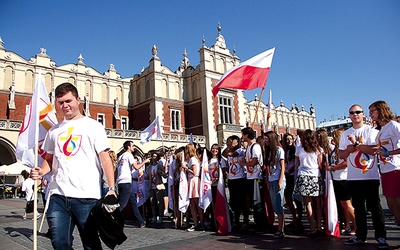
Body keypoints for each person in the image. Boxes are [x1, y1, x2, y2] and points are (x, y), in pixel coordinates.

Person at [30, 82, 117, 249]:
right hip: (58, 195)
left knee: (91, 243)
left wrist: (111, 188)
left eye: (68, 101)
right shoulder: (54, 131)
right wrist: (40, 171)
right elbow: (49, 159)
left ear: (78, 100)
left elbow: (105, 159)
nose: (65, 106)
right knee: (59, 242)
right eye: (61, 102)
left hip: (87, 196)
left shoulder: (93, 126)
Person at [339, 104, 388, 249]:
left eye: (358, 112)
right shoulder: (345, 133)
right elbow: (341, 154)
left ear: (363, 114)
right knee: (358, 208)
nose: (355, 115)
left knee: (374, 207)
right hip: (353, 177)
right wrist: (349, 148)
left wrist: (356, 144)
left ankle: (380, 236)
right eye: (352, 113)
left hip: (370, 175)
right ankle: (360, 235)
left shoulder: (372, 131)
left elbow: (374, 151)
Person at [369, 101, 400, 225]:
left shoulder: (394, 125)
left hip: (395, 168)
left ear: (381, 110)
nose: (370, 114)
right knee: (391, 203)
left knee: (397, 202)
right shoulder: (381, 130)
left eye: (372, 111)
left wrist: (389, 153)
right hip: (385, 169)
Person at [293, 129, 323, 236]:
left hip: (304, 176)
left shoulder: (299, 149)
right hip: (315, 176)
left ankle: (312, 228)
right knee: (318, 203)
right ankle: (319, 226)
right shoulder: (318, 149)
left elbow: (298, 162)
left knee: (308, 204)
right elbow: (320, 164)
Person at [327, 128, 356, 235]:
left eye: (334, 136)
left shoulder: (343, 149)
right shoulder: (336, 149)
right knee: (343, 204)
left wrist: (332, 168)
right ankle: (347, 225)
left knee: (347, 204)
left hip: (344, 178)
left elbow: (346, 162)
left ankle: (356, 225)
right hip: (337, 178)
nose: (332, 139)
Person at [116, 140, 149, 227]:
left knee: (133, 202)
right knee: (122, 204)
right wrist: (144, 162)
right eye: (132, 146)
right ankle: (109, 219)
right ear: (128, 147)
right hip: (126, 181)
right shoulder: (128, 155)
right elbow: (136, 166)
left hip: (121, 181)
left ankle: (141, 221)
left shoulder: (121, 157)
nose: (134, 147)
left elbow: (117, 170)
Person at [264, 131, 286, 238]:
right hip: (271, 179)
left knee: (278, 204)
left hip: (278, 179)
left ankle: (280, 228)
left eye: (266, 139)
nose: (265, 141)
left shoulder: (279, 150)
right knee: (274, 204)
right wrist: (268, 179)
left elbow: (282, 167)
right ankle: (281, 226)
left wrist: (280, 181)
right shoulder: (269, 151)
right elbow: (268, 167)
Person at [241, 127, 263, 231]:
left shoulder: (255, 146)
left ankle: (260, 223)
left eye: (243, 134)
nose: (242, 137)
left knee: (257, 201)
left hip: (256, 176)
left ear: (246, 135)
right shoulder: (249, 147)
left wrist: (244, 163)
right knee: (250, 200)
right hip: (249, 176)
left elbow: (254, 161)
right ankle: (256, 222)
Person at [183, 144, 204, 231]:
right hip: (192, 180)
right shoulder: (194, 159)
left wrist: (186, 168)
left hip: (193, 181)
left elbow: (194, 172)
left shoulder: (193, 159)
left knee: (195, 203)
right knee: (193, 204)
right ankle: (196, 223)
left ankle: (200, 223)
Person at [146, 151, 166, 224]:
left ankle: (160, 217)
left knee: (159, 202)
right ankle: (154, 216)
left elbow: (163, 174)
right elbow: (147, 176)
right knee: (153, 202)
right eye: (153, 156)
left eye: (155, 156)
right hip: (151, 186)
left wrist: (161, 173)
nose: (154, 158)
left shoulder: (159, 165)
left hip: (158, 185)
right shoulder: (150, 166)